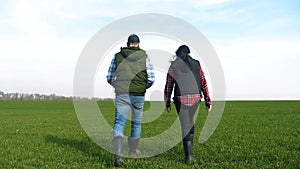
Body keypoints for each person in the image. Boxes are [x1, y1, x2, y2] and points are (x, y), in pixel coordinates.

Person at [106, 34, 155, 167]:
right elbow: (151, 78)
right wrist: (142, 87)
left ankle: (119, 155)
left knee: (119, 123)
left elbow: (109, 76)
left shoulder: (117, 56)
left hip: (122, 94)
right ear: (138, 44)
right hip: (138, 94)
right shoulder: (144, 56)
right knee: (136, 123)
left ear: (128, 43)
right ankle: (133, 150)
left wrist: (117, 86)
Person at [164, 45, 211, 163]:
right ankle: (189, 152)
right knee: (190, 123)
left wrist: (167, 102)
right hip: (196, 98)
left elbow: (169, 85)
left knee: (185, 125)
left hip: (181, 99)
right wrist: (207, 101)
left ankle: (188, 157)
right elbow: (203, 82)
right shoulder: (197, 64)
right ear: (189, 53)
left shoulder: (174, 65)